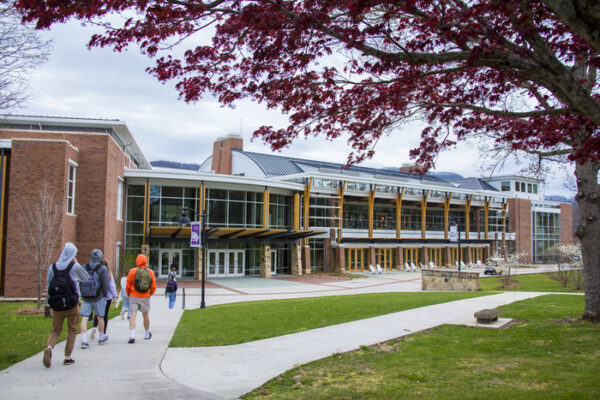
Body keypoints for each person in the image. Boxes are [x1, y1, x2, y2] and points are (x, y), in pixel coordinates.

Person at [43, 242, 89, 368]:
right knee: (72, 329)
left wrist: (51, 299)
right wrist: (77, 263)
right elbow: (85, 278)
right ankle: (67, 356)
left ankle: (49, 347)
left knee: (56, 329)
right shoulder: (74, 266)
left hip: (57, 303)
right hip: (72, 303)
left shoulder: (53, 267)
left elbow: (48, 284)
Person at [79, 249, 109, 348]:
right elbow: (105, 283)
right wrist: (105, 294)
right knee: (100, 317)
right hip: (98, 296)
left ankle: (83, 340)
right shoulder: (103, 268)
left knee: (84, 318)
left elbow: (81, 281)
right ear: (100, 257)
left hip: (86, 296)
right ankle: (101, 337)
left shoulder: (85, 267)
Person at [126, 254, 156, 343]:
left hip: (134, 295)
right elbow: (153, 286)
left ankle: (132, 334)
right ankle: (147, 333)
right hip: (145, 296)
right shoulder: (150, 272)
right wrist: (150, 294)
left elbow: (128, 284)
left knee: (133, 315)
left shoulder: (132, 271)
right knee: (145, 315)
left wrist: (129, 293)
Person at [89, 258, 118, 340]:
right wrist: (114, 296)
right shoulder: (108, 274)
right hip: (106, 296)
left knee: (97, 314)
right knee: (104, 315)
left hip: (97, 296)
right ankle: (103, 333)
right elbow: (111, 286)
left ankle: (94, 327)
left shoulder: (95, 273)